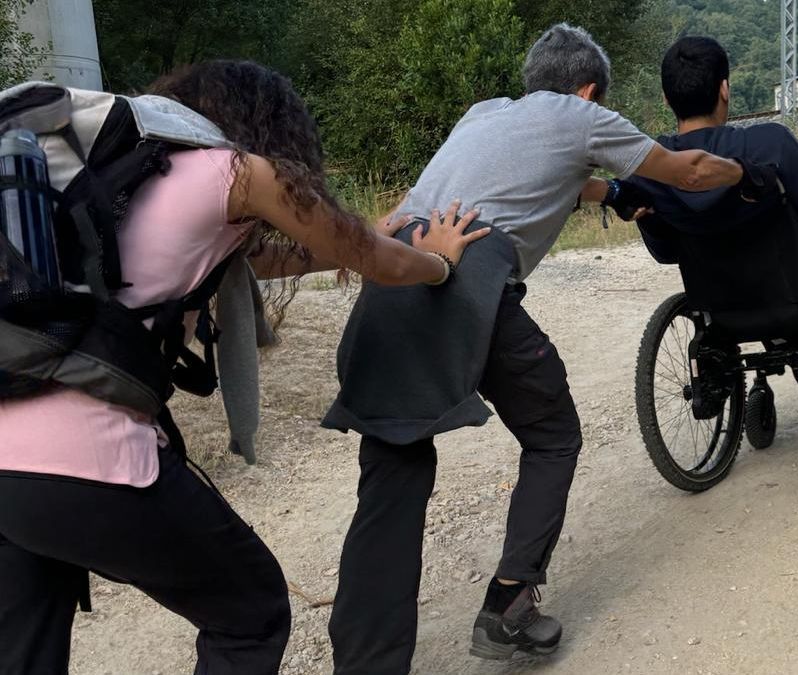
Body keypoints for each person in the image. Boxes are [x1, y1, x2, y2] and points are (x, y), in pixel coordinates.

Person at [0, 60, 483, 675]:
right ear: (267, 121)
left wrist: (357, 238)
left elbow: (266, 260)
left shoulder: (123, 178)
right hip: (81, 456)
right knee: (249, 615)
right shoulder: (236, 169)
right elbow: (378, 262)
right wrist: (437, 263)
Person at [322, 23, 754, 674]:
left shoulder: (484, 115)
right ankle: (508, 605)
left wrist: (607, 190)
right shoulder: (582, 118)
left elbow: (421, 204)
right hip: (469, 277)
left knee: (391, 475)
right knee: (554, 434)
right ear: (587, 91)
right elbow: (688, 170)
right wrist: (745, 168)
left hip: (395, 270)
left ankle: (363, 661)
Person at [626, 36, 798, 405]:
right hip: (794, 299)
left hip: (716, 309)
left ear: (666, 99)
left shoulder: (651, 168)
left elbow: (665, 253)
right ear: (724, 89)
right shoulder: (770, 143)